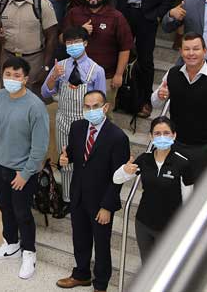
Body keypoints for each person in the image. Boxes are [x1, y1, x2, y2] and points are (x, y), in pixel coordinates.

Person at [0, 56, 50, 280]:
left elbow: (40, 147)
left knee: (23, 213)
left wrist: (25, 173)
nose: (11, 79)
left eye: (17, 75)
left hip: (22, 171)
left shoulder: (35, 106)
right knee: (5, 207)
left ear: (26, 79)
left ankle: (29, 252)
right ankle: (10, 244)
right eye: (8, 74)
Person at [56, 89, 131, 291]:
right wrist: (63, 160)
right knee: (79, 238)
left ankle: (100, 284)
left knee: (101, 244)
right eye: (87, 107)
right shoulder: (77, 127)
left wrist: (107, 206)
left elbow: (119, 178)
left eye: (95, 106)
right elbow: (71, 153)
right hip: (79, 194)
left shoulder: (118, 137)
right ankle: (81, 274)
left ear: (105, 107)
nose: (91, 110)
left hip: (101, 201)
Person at [111, 115, 194, 262]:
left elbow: (188, 199)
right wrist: (125, 169)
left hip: (170, 227)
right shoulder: (145, 159)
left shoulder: (182, 163)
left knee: (166, 266)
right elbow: (116, 179)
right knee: (147, 265)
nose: (162, 136)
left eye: (166, 133)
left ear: (174, 135)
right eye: (157, 133)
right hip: (144, 223)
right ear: (151, 136)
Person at [151, 33, 207, 177]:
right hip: (175, 145)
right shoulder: (172, 74)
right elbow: (155, 103)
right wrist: (159, 96)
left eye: (196, 49)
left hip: (203, 150)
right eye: (186, 49)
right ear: (181, 51)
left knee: (197, 195)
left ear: (205, 51)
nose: (191, 53)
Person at [42, 27, 108, 207]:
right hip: (63, 119)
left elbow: (101, 101)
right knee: (65, 161)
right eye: (69, 43)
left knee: (86, 162)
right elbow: (45, 92)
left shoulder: (97, 70)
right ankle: (67, 199)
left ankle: (84, 198)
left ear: (85, 43)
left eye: (77, 42)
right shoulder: (61, 65)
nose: (73, 46)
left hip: (86, 122)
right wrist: (53, 76)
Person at [0, 0, 59, 92]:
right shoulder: (0, 4)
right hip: (8, 58)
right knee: (8, 96)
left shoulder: (41, 4)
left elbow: (52, 37)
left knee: (33, 98)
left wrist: (46, 67)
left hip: (34, 60)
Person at [62, 0, 134, 93]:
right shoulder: (74, 13)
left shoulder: (116, 16)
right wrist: (79, 31)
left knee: (102, 111)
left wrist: (119, 74)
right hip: (76, 75)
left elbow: (125, 48)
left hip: (106, 77)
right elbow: (61, 38)